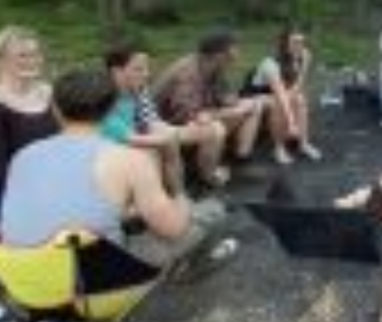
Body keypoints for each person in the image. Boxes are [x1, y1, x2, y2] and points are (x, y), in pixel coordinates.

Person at [1, 67, 233, 272]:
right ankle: (185, 275)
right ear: (112, 109)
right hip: (88, 289)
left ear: (55, 109)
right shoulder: (129, 159)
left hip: (20, 279)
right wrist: (180, 195)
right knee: (211, 210)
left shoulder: (23, 156)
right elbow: (173, 229)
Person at [102, 43, 227, 194]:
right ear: (117, 71)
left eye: (147, 68)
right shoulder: (102, 98)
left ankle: (204, 180)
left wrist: (191, 129)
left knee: (214, 129)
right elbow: (121, 137)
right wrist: (172, 135)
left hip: (133, 138)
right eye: (138, 69)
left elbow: (152, 122)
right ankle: (167, 200)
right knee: (161, 148)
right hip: (109, 150)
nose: (147, 74)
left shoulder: (138, 90)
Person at [153, 29, 265, 175]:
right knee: (216, 126)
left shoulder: (215, 67)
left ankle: (242, 159)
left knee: (254, 105)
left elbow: (224, 97)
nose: (237, 53)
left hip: (198, 116)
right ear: (219, 54)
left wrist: (234, 102)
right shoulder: (188, 72)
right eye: (234, 48)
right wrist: (225, 112)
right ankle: (206, 174)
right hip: (168, 126)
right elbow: (185, 115)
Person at [243, 27, 322, 164]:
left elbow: (297, 87)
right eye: (295, 43)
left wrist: (305, 65)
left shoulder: (301, 58)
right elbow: (280, 94)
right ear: (284, 44)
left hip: (281, 94)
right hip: (257, 96)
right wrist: (291, 122)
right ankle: (278, 147)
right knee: (279, 102)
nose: (299, 46)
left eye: (302, 42)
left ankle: (303, 143)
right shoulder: (270, 63)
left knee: (300, 99)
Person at [0, 26, 59, 201]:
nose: (32, 60)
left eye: (35, 54)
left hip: (54, 188)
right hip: (14, 197)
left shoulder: (51, 93)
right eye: (22, 56)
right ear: (2, 61)